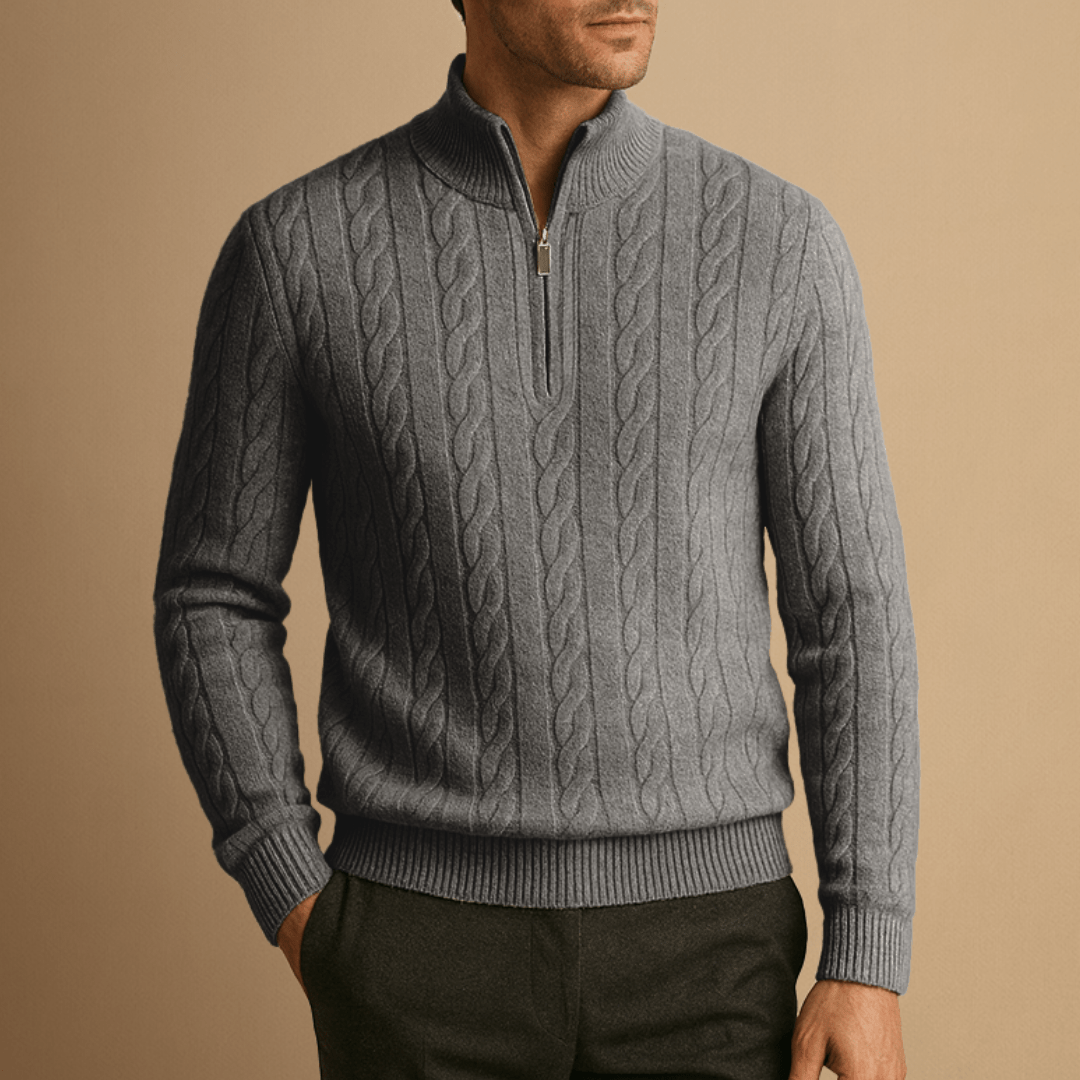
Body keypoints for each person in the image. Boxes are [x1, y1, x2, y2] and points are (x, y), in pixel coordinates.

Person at [153, 1, 919, 1077]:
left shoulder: (780, 242)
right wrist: (293, 890)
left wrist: (867, 949)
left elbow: (851, 613)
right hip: (414, 953)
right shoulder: (297, 250)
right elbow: (211, 591)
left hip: (713, 951)